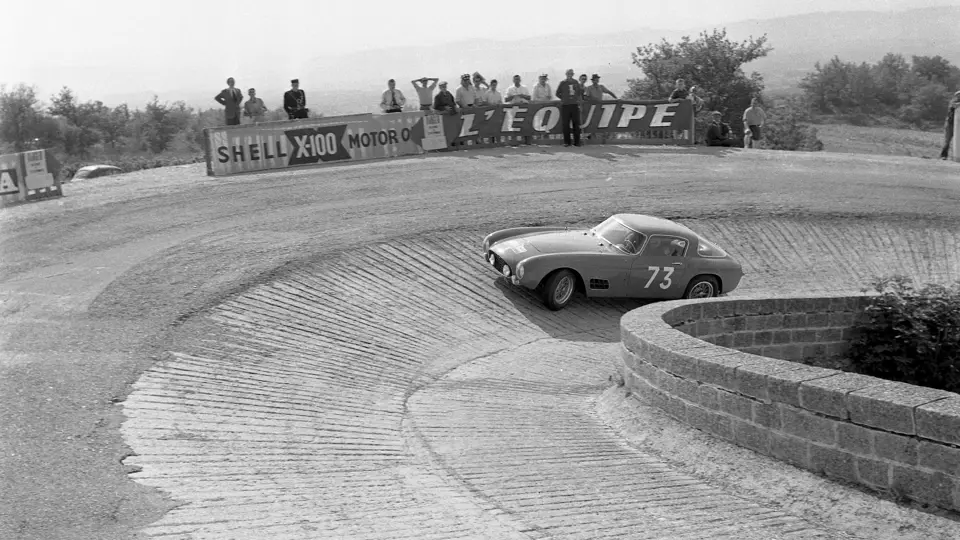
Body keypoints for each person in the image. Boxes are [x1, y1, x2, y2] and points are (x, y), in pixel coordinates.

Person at [556, 69, 583, 147]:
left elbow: (579, 93)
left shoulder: (576, 82)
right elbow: (557, 93)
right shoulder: (563, 83)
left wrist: (579, 103)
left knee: (576, 124)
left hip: (574, 105)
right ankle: (567, 142)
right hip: (565, 106)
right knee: (566, 124)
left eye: (571, 73)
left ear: (573, 74)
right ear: (566, 74)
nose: (570, 74)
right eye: (568, 73)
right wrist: (564, 98)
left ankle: (577, 142)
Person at [940, 90, 960, 160]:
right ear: (956, 95)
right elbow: (954, 105)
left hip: (958, 125)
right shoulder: (953, 101)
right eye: (958, 95)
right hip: (950, 124)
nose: (959, 96)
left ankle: (956, 156)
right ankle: (944, 155)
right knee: (947, 140)